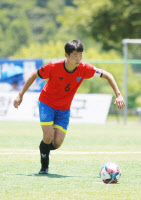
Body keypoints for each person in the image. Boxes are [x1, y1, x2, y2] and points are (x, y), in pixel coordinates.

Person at [13, 40, 125, 174]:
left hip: (64, 109)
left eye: (80, 55)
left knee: (57, 143)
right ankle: (44, 166)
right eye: (75, 55)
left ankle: (43, 149)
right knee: (48, 136)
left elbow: (107, 75)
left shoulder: (85, 69)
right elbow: (34, 75)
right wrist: (20, 95)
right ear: (66, 55)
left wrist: (118, 94)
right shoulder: (54, 66)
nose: (78, 59)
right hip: (47, 103)